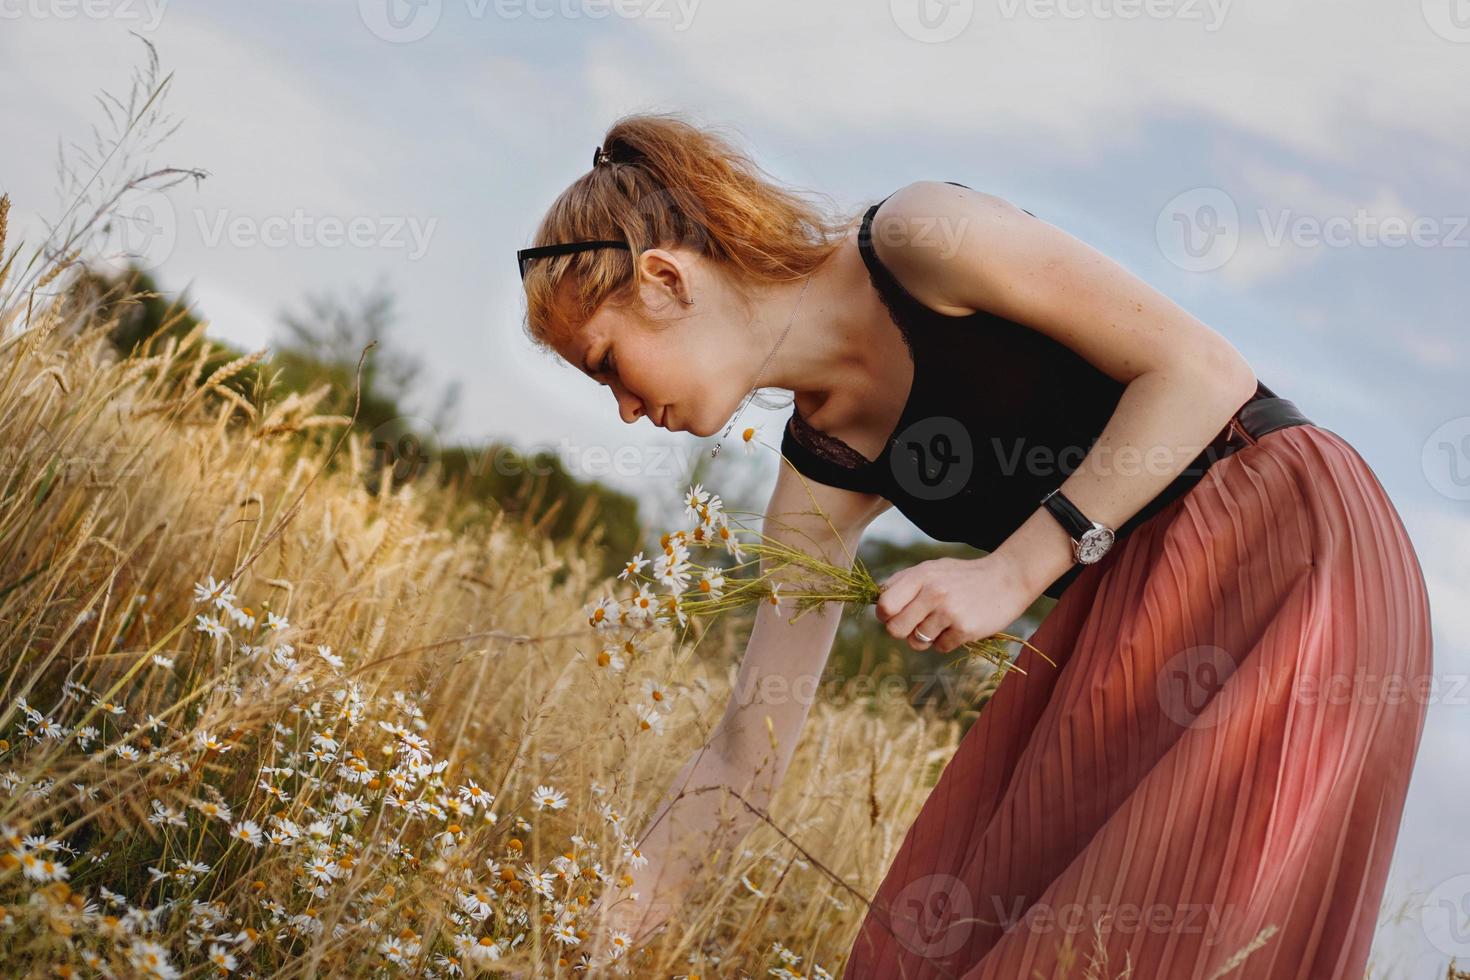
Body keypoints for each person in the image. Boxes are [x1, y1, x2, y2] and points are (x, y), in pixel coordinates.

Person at [516, 112, 1433, 978]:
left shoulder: (922, 238)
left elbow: (1202, 372)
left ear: (669, 280)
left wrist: (1011, 572)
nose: (627, 408)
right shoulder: (819, 475)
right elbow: (743, 750)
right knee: (949, 938)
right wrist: (590, 943)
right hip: (1133, 604)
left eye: (608, 363)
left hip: (1286, 538)